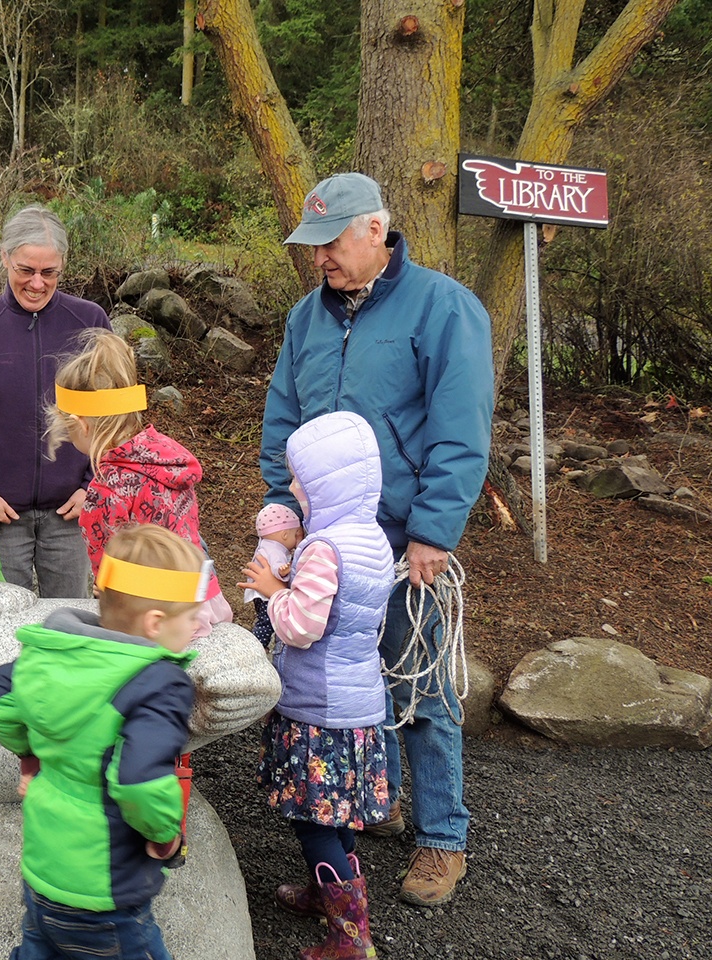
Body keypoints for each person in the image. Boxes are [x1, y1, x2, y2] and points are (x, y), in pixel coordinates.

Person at [262, 171, 495, 906]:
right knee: (338, 688)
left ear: (375, 230)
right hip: (321, 535)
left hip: (402, 538)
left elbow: (463, 430)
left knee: (419, 682)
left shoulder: (445, 308)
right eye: (312, 245)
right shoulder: (307, 317)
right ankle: (362, 819)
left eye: (331, 243)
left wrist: (433, 531)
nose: (320, 258)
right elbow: (283, 417)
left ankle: (441, 840)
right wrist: (281, 504)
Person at [0, 524, 208, 960]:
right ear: (156, 623)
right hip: (106, 893)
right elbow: (139, 780)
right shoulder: (160, 682)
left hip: (44, 872)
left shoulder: (50, 652)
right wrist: (164, 837)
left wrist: (29, 759)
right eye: (191, 615)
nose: (199, 624)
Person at [238, 411, 393, 960]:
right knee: (335, 815)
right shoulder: (372, 539)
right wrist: (291, 583)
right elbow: (348, 611)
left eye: (301, 478)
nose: (295, 488)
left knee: (314, 822)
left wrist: (269, 590)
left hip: (318, 711)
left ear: (327, 484)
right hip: (358, 701)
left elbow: (303, 627)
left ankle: (351, 940)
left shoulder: (324, 547)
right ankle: (327, 899)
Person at [0, 204, 111, 598]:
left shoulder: (90, 322)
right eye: (26, 270)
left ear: (63, 266)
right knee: (1, 629)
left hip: (71, 511)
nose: (37, 283)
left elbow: (114, 417)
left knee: (68, 624)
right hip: (1, 513)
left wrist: (92, 485)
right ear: (4, 258)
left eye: (49, 272)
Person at [45, 327, 234, 636]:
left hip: (156, 611)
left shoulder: (108, 488)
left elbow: (108, 567)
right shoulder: (168, 459)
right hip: (202, 597)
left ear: (81, 425)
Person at [242, 503, 303, 649]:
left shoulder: (265, 544)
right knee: (267, 621)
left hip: (260, 592)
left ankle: (260, 643)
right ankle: (257, 645)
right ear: (285, 535)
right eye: (295, 535)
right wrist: (284, 570)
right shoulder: (276, 549)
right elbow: (276, 567)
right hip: (266, 594)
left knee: (264, 619)